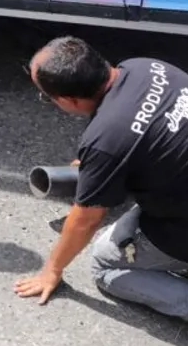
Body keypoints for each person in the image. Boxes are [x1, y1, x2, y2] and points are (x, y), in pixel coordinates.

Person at [15, 36, 188, 321]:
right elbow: (154, 131)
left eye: (47, 98)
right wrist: (102, 164)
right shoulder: (146, 67)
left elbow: (86, 220)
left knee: (105, 265)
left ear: (70, 100)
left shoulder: (107, 141)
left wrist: (52, 271)